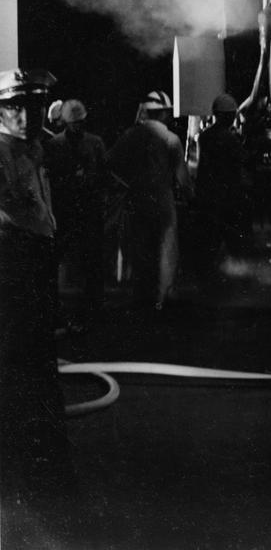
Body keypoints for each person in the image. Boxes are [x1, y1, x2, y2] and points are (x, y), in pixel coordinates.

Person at [0, 68, 75, 499]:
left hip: (35, 256)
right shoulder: (7, 150)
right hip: (12, 259)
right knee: (17, 357)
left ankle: (40, 444)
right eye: (15, 107)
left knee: (37, 356)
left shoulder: (33, 147)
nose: (26, 115)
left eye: (31, 106)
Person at [107, 90, 190, 310]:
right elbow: (183, 178)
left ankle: (140, 299)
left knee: (139, 248)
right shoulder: (171, 139)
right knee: (165, 248)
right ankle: (162, 299)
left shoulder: (130, 135)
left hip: (137, 199)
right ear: (164, 113)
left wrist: (127, 184)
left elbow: (110, 165)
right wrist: (190, 196)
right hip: (163, 200)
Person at [45, 98, 108, 328]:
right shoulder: (55, 145)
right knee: (60, 259)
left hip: (87, 208)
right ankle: (57, 308)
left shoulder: (95, 143)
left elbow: (104, 173)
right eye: (74, 123)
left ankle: (93, 307)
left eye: (79, 123)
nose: (77, 127)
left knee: (92, 261)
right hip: (67, 209)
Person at [193, 93, 251, 268]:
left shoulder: (204, 137)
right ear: (229, 116)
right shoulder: (231, 140)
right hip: (228, 197)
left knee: (210, 240)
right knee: (231, 237)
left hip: (207, 195)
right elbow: (242, 163)